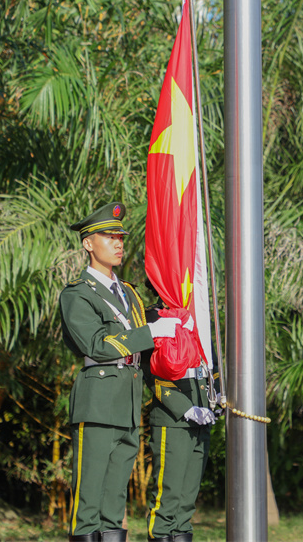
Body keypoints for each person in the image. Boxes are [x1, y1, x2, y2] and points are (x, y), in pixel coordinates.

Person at [60, 201, 183, 542]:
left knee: (114, 503)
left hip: (127, 403)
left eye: (120, 237)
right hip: (97, 402)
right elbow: (96, 345)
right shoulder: (78, 294)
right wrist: (149, 333)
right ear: (88, 244)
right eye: (108, 237)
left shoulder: (128, 292)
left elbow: (144, 344)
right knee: (88, 502)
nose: (118, 243)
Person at [142, 288, 218, 542]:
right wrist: (185, 408)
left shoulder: (197, 317)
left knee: (187, 502)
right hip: (173, 419)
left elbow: (211, 365)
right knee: (169, 497)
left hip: (202, 413)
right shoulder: (154, 317)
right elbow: (151, 373)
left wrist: (214, 397)